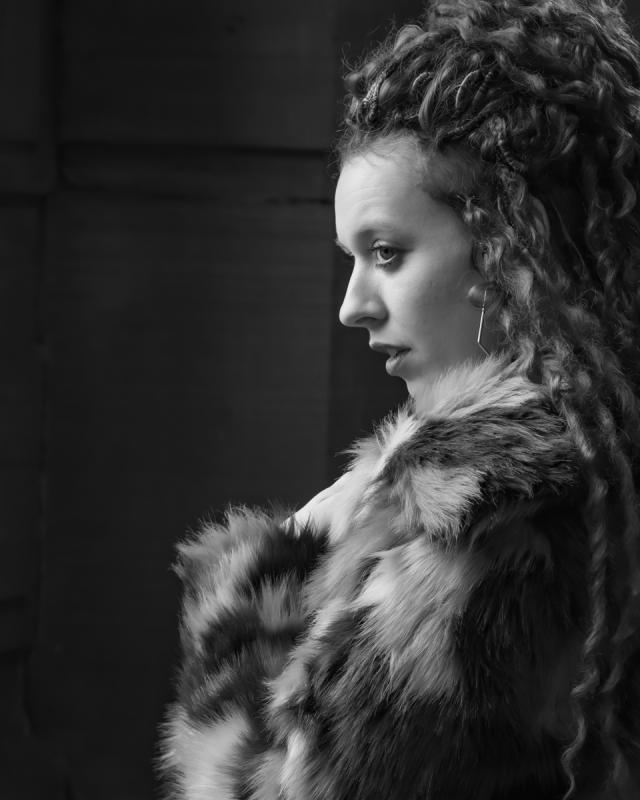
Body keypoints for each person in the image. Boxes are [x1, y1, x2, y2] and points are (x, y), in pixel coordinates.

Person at [160, 1, 640, 797]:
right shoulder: (604, 471)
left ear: (512, 249)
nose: (353, 306)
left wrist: (262, 581)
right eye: (352, 258)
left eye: (387, 252)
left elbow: (258, 789)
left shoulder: (491, 525)